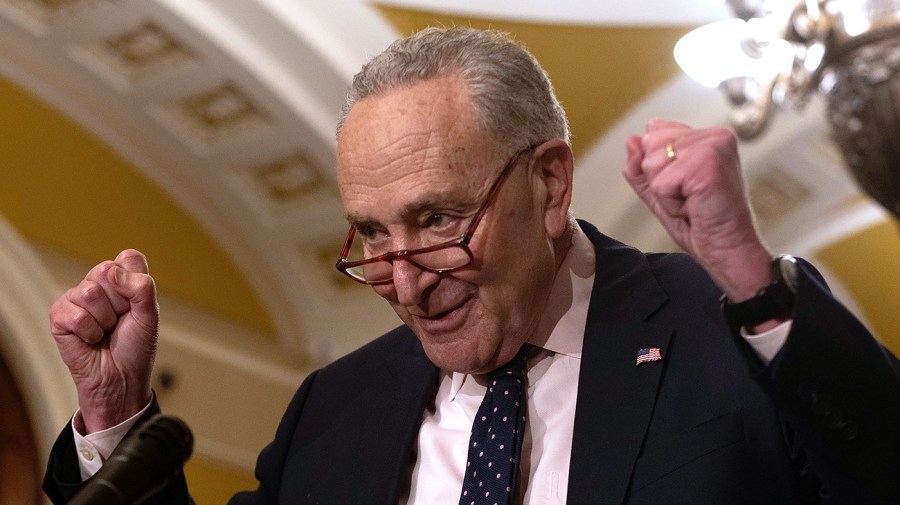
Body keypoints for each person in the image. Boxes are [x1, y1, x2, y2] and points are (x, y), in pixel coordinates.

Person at [43, 27, 898, 504]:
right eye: (372, 236)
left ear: (551, 183)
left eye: (438, 220)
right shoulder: (336, 409)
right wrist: (115, 417)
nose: (406, 281)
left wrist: (748, 275)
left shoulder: (728, 325)